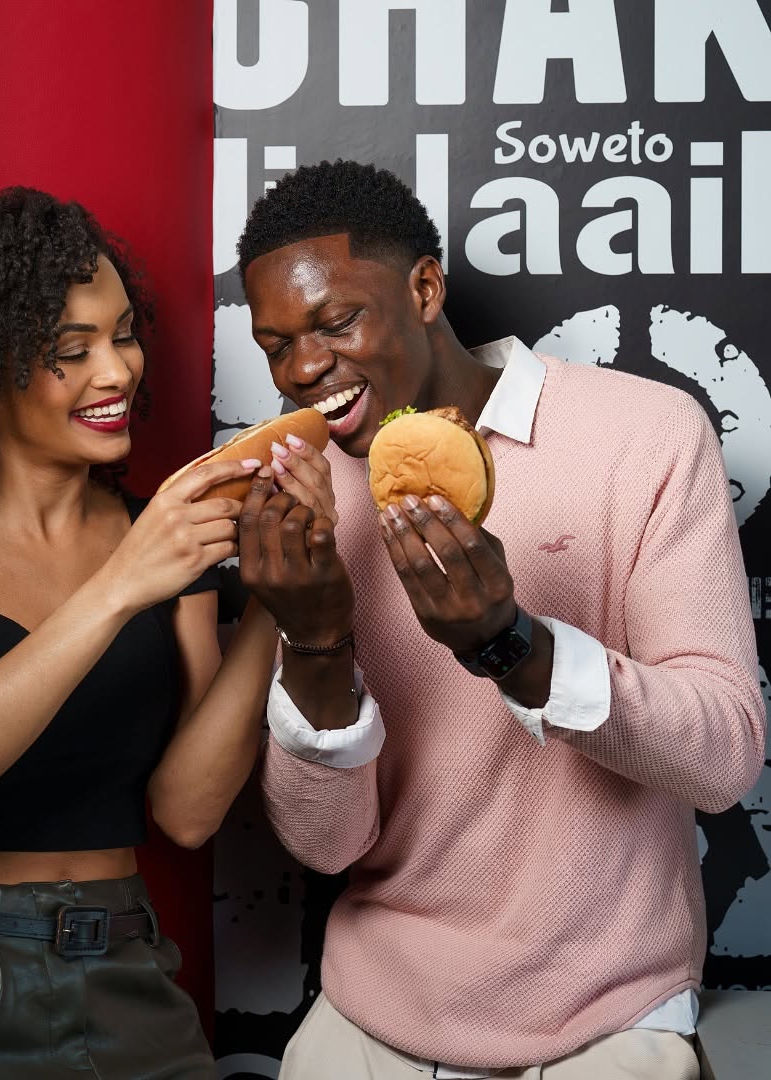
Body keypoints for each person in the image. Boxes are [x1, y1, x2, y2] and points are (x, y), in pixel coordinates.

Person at [232, 160, 765, 1079]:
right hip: (372, 1015)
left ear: (426, 288)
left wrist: (513, 646)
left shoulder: (645, 434)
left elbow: (722, 761)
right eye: (276, 345)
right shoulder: (312, 501)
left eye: (336, 320)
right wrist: (316, 640)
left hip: (609, 1018)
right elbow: (327, 847)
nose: (305, 369)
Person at [0, 187, 289, 1079]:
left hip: (130, 969)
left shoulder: (168, 539)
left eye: (123, 335)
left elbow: (186, 815)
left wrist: (276, 607)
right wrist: (119, 585)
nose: (117, 373)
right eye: (73, 351)